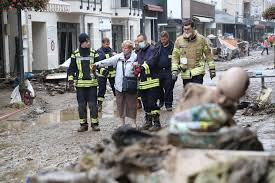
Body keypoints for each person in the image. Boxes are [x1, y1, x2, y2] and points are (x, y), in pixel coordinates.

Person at [94, 40, 138, 128]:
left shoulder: (135, 57)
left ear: (130, 49)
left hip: (131, 84)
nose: (124, 50)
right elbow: (108, 61)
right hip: (119, 85)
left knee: (132, 103)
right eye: (123, 48)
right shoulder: (119, 57)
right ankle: (122, 122)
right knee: (120, 103)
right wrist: (97, 64)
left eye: (125, 48)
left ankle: (133, 122)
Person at [67, 33, 100, 132]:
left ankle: (95, 124)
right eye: (87, 41)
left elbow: (99, 66)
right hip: (80, 85)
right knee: (81, 106)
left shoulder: (94, 53)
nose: (89, 43)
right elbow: (71, 68)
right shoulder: (75, 54)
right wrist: (70, 81)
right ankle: (83, 125)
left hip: (92, 84)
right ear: (83, 42)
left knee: (93, 105)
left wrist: (103, 72)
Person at [171, 19, 216, 86]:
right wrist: (174, 70)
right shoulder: (179, 40)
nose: (186, 31)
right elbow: (175, 56)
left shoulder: (201, 39)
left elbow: (208, 54)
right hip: (185, 72)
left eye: (188, 29)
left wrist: (212, 69)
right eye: (184, 29)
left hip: (198, 71)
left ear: (193, 28)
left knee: (196, 94)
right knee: (188, 94)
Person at [135, 33, 161, 131]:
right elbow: (137, 63)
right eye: (138, 42)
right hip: (143, 82)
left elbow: (152, 62)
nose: (140, 43)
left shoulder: (153, 49)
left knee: (152, 103)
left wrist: (141, 67)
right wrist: (135, 68)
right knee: (145, 103)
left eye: (141, 41)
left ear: (146, 40)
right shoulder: (139, 52)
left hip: (153, 81)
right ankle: (148, 122)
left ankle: (157, 123)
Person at [155, 31, 175, 111]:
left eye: (164, 39)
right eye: (161, 39)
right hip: (159, 70)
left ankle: (168, 104)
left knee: (169, 88)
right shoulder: (158, 46)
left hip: (168, 70)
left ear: (167, 38)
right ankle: (161, 99)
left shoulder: (172, 47)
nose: (163, 41)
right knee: (158, 87)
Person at [97, 37, 116, 112]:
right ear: (102, 43)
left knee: (115, 88)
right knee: (102, 89)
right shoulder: (99, 51)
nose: (107, 45)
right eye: (106, 44)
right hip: (103, 74)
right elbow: (99, 62)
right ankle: (99, 104)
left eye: (108, 44)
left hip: (112, 73)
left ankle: (119, 103)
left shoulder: (111, 50)